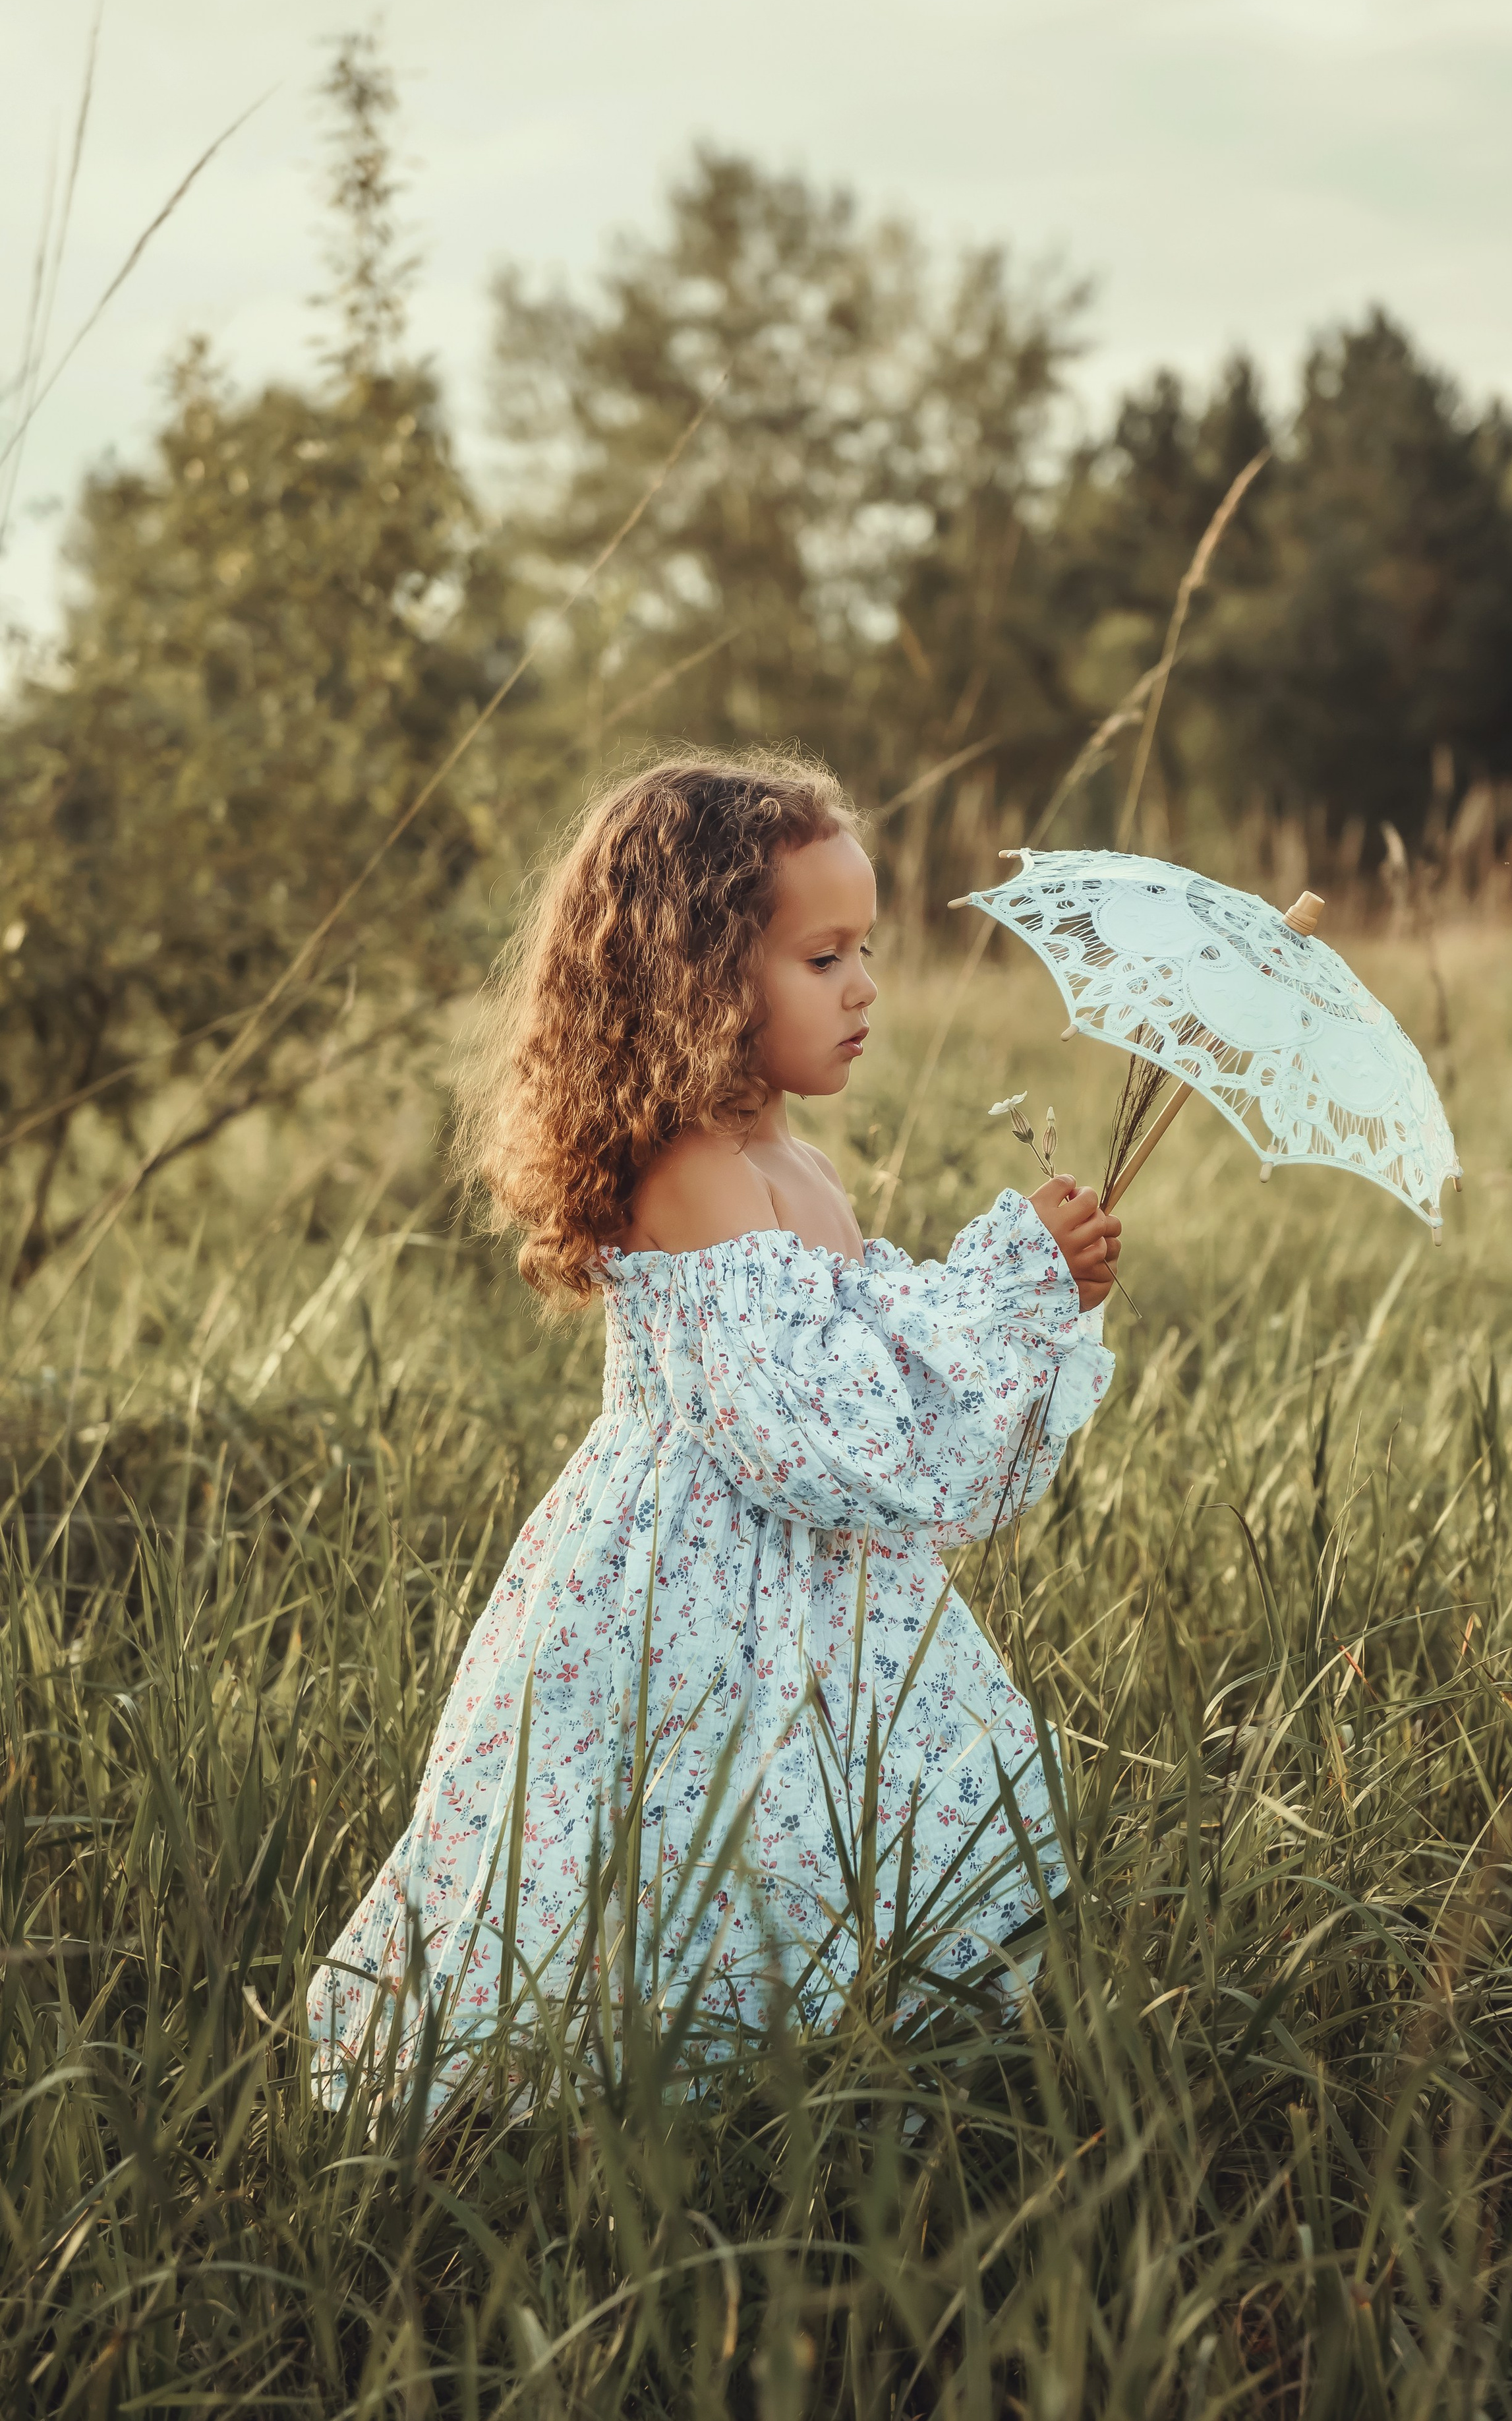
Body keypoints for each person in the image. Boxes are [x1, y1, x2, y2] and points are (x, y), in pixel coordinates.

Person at [307, 755, 1120, 2104]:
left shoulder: (792, 1158)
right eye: (820, 956)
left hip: (808, 1589)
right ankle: (646, 2115)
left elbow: (867, 1365)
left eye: (865, 949)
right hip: (682, 1593)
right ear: (698, 975)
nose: (863, 986)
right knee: (674, 1850)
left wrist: (1032, 1294)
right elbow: (820, 1431)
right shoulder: (690, 1170)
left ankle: (843, 2086)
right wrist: (1008, 1281)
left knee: (840, 1833)